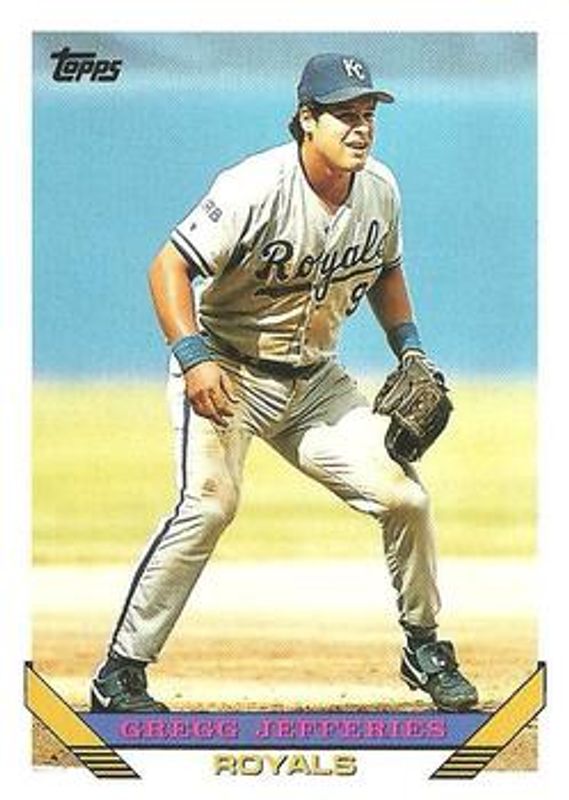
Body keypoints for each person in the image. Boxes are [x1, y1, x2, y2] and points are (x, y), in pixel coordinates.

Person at [90, 53, 478, 713]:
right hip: (228, 369)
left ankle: (423, 647)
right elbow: (168, 267)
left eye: (368, 114)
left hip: (316, 383)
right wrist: (192, 357)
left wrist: (409, 349)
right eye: (344, 115)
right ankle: (120, 672)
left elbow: (386, 269)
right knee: (209, 505)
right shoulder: (255, 186)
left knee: (405, 498)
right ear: (306, 119)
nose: (361, 128)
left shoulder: (380, 188)